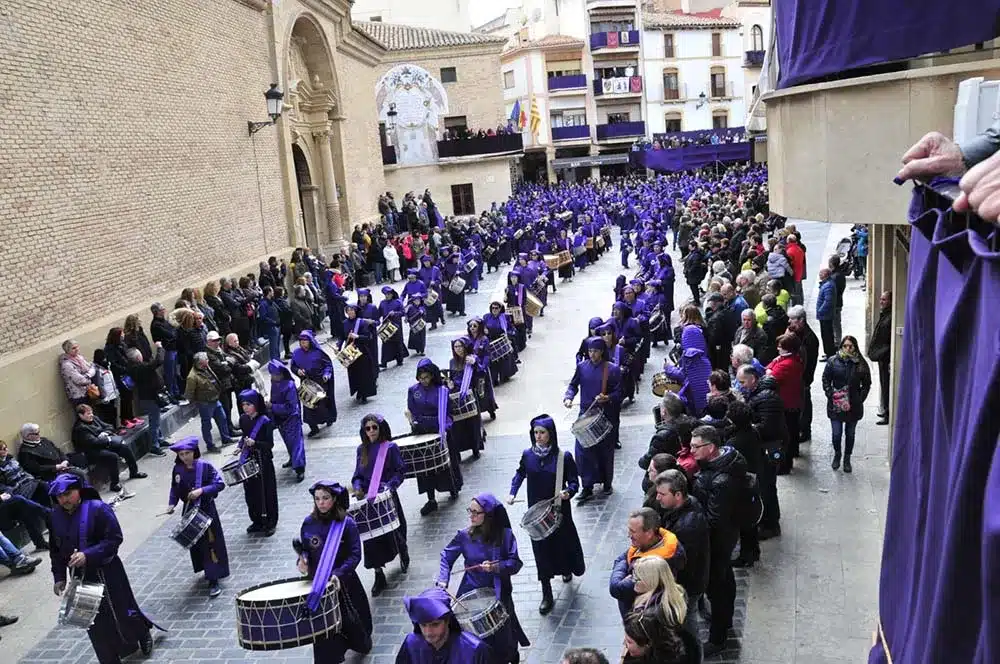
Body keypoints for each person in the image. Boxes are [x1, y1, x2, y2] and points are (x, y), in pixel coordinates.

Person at [48, 473, 163, 662]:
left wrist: (88, 555)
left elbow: (114, 539)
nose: (63, 500)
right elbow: (55, 550)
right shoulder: (54, 517)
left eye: (68, 494)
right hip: (81, 578)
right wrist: (59, 577)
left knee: (122, 610)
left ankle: (142, 633)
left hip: (108, 572)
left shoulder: (97, 509)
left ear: (79, 490)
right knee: (93, 622)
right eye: (59, 497)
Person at [437, 493, 530, 664]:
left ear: (488, 516)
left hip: (498, 591)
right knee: (477, 636)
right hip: (472, 591)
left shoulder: (505, 535)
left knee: (504, 633)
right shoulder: (464, 536)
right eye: (470, 511)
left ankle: (511, 656)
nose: (471, 516)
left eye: (476, 512)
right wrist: (443, 580)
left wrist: (496, 567)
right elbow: (446, 556)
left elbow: (515, 563)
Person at [507, 415, 585, 615]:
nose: (538, 437)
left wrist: (569, 492)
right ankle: (546, 592)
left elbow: (574, 482)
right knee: (541, 552)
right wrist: (512, 491)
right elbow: (520, 473)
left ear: (551, 434)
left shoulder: (563, 457)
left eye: (542, 433)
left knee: (562, 545)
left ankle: (567, 568)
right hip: (537, 515)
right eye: (535, 433)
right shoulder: (528, 455)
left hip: (559, 511)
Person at [296, 480, 374, 663]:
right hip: (319, 585)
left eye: (325, 498)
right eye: (317, 499)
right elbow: (306, 550)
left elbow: (355, 555)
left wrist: (338, 574)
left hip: (344, 583)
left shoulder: (346, 523)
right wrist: (302, 561)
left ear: (334, 499)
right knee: (324, 631)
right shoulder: (308, 523)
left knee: (352, 623)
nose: (321, 503)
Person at [688, 425, 746, 656]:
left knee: (717, 587)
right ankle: (726, 619)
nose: (691, 450)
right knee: (725, 579)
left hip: (718, 540)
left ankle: (718, 637)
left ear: (711, 448)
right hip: (727, 535)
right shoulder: (725, 462)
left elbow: (714, 519)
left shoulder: (721, 480)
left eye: (695, 446)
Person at [351, 414, 409, 596]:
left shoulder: (390, 448)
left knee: (394, 530)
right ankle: (378, 573)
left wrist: (388, 487)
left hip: (386, 496)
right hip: (368, 499)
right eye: (367, 428)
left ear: (381, 428)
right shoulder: (362, 449)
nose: (371, 431)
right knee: (370, 538)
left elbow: (400, 472)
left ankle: (403, 551)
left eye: (374, 427)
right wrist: (358, 487)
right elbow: (357, 475)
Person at [164, 437, 229, 597]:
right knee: (197, 544)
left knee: (210, 544)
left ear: (194, 452)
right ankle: (205, 569)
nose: (185, 457)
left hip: (206, 510)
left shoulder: (205, 466)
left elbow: (219, 484)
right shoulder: (177, 470)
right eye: (181, 454)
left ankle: (214, 578)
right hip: (189, 511)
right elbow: (174, 488)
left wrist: (202, 491)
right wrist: (172, 503)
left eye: (187, 453)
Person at [563, 337, 622, 501]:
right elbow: (573, 384)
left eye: (595, 351)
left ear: (602, 351)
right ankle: (587, 486)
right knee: (583, 452)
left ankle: (607, 483)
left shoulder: (612, 369)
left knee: (604, 451)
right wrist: (568, 397)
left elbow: (619, 393)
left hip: (604, 415)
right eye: (589, 351)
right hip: (585, 414)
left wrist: (608, 397)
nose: (592, 354)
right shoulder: (582, 367)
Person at [653, 470, 709, 630]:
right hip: (690, 583)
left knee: (686, 625)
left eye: (662, 494)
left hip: (687, 586)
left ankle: (692, 653)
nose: (658, 498)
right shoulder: (684, 506)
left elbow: (681, 562)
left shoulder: (687, 525)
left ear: (677, 495)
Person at [405, 359, 462, 516]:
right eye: (420, 378)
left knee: (445, 463)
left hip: (440, 430)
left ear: (432, 376)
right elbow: (413, 411)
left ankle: (452, 487)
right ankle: (431, 499)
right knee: (425, 468)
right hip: (423, 432)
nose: (423, 381)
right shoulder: (413, 391)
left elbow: (448, 413)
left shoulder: (442, 391)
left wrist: (444, 428)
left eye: (426, 377)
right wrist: (415, 423)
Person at [609, 507, 685, 618]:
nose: (628, 535)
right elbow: (621, 559)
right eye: (629, 530)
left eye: (633, 531)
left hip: (640, 620)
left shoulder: (653, 565)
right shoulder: (643, 543)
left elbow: (616, 587)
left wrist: (624, 570)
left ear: (649, 533)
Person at [395, 587, 493, 664]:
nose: (428, 632)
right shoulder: (411, 644)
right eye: (423, 625)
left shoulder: (475, 649)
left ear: (447, 621)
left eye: (435, 625)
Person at [821, 335, 872, 473]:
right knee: (836, 434)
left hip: (853, 405)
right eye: (845, 346)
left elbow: (867, 383)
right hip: (836, 404)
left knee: (850, 434)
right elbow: (826, 379)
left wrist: (860, 398)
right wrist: (831, 394)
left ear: (855, 347)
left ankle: (847, 458)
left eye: (851, 346)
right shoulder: (832, 361)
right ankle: (837, 453)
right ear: (841, 347)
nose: (848, 348)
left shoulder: (860, 363)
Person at [71, 404, 147, 493]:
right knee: (112, 456)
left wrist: (105, 433)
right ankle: (114, 483)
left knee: (124, 447)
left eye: (91, 412)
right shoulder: (80, 428)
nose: (91, 415)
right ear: (81, 415)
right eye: (88, 414)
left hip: (104, 444)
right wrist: (104, 437)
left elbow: (109, 426)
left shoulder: (94, 419)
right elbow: (93, 442)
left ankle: (134, 472)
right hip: (91, 452)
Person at [236, 389, 279, 536]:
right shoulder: (243, 419)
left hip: (263, 460)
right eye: (243, 405)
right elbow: (244, 436)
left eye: (248, 404)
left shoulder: (265, 421)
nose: (245, 407)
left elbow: (269, 444)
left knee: (266, 492)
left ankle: (270, 522)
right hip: (248, 460)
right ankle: (256, 520)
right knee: (251, 492)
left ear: (256, 404)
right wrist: (240, 446)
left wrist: (255, 443)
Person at [184, 352, 235, 452]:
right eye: (206, 359)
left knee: (222, 419)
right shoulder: (192, 377)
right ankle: (210, 445)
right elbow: (189, 393)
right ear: (200, 362)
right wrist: (196, 402)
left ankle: (226, 439)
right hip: (205, 403)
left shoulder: (206, 367)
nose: (208, 360)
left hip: (215, 399)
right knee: (207, 425)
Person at [290, 330, 337, 438]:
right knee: (308, 406)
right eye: (301, 341)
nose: (303, 344)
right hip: (306, 382)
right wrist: (297, 371)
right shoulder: (296, 353)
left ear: (310, 341)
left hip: (320, 381)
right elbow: (293, 366)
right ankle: (313, 427)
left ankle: (327, 418)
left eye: (305, 341)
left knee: (322, 404)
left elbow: (327, 365)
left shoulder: (318, 352)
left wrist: (326, 374)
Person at [125, 344, 169, 456]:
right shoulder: (140, 368)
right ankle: (154, 445)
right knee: (154, 422)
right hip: (150, 397)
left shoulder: (135, 367)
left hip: (149, 396)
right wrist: (159, 348)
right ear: (138, 357)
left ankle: (159, 439)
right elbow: (158, 361)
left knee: (156, 419)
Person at [787, 305, 820, 442]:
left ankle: (805, 430)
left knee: (805, 404)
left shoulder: (809, 338)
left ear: (801, 320)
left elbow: (807, 362)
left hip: (803, 378)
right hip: (796, 378)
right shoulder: (795, 332)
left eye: (792, 320)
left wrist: (803, 379)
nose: (789, 322)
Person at [17, 422, 88, 481]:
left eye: (39, 432)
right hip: (51, 474)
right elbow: (36, 468)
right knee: (79, 474)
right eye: (36, 434)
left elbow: (58, 450)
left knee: (80, 458)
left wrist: (65, 460)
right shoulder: (25, 451)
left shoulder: (44, 440)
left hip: (63, 466)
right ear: (27, 436)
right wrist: (56, 467)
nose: (39, 435)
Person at [342, 303, 378, 404]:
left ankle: (364, 394)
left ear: (356, 311)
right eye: (348, 311)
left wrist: (357, 336)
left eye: (352, 310)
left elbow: (368, 337)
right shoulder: (344, 323)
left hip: (362, 351)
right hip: (350, 351)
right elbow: (342, 337)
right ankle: (358, 390)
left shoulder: (361, 323)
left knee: (363, 373)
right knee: (354, 373)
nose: (350, 312)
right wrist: (338, 345)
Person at [867, 291, 892, 426]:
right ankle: (885, 409)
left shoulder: (890, 317)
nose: (881, 302)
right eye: (881, 299)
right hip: (882, 357)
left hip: (885, 357)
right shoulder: (885, 315)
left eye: (884, 300)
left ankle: (888, 413)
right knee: (883, 384)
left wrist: (881, 353)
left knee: (887, 385)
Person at [815, 268, 837, 360]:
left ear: (826, 275)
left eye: (821, 273)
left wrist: (820, 310)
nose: (819, 275)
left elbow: (828, 301)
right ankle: (828, 352)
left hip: (825, 315)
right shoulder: (827, 284)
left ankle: (829, 354)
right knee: (826, 335)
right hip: (825, 315)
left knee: (827, 335)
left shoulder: (828, 286)